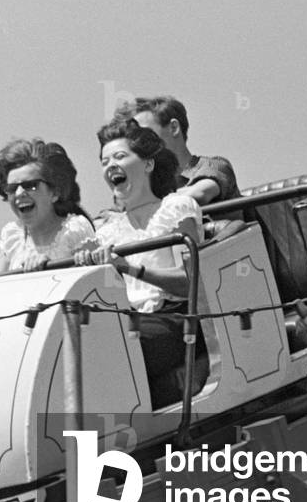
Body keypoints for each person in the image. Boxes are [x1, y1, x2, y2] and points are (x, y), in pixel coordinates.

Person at [74, 119, 207, 408]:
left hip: (177, 318)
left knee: (116, 346)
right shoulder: (107, 231)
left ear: (148, 164)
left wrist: (131, 269)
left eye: (120, 156)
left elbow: (195, 284)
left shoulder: (176, 208)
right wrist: (89, 266)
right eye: (104, 160)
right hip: (131, 319)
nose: (111, 165)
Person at [0, 138, 96, 281]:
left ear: (54, 193)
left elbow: (98, 283)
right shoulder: (12, 236)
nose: (19, 194)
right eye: (12, 189)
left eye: (30, 185)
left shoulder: (75, 228)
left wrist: (50, 268)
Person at [114, 96, 240, 207]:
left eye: (144, 133)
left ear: (174, 128)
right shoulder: (147, 189)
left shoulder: (215, 166)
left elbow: (199, 194)